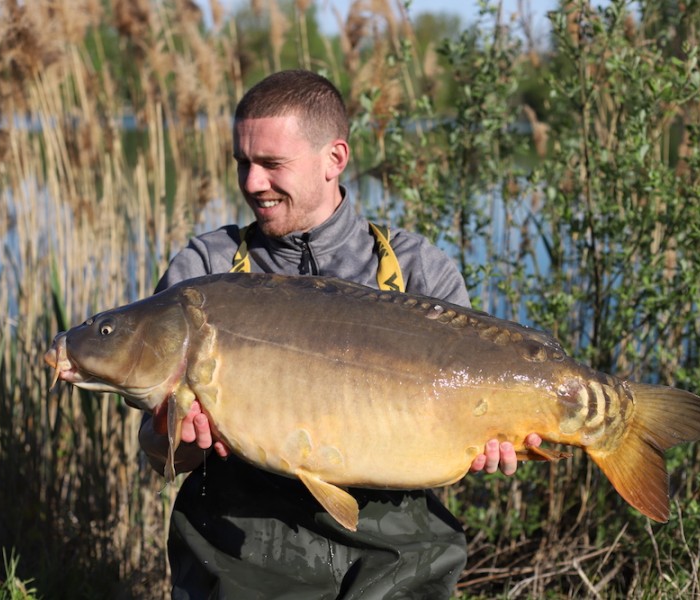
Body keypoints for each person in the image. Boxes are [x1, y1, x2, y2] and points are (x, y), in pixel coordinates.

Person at [138, 69, 541, 599]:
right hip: (242, 553)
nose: (252, 182)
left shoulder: (418, 270)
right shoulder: (206, 271)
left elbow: (458, 430)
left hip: (394, 555)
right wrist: (180, 442)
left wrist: (494, 442)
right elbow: (156, 450)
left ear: (335, 159)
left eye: (272, 164)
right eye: (243, 162)